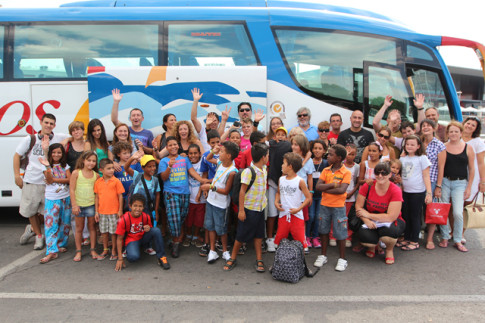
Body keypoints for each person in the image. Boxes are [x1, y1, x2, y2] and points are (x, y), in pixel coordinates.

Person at [15, 113, 68, 250]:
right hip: (32, 179)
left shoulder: (57, 137)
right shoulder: (30, 139)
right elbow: (17, 156)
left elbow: (74, 136)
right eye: (46, 122)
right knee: (31, 210)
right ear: (41, 122)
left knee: (47, 211)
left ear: (54, 125)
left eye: (51, 123)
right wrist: (17, 176)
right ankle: (39, 235)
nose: (48, 125)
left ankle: (32, 228)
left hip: (49, 182)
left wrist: (65, 142)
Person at [159, 136, 209, 258]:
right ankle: (176, 243)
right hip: (171, 193)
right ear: (166, 147)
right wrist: (169, 166)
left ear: (178, 146)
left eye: (175, 144)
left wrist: (204, 181)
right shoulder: (164, 161)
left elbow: (193, 173)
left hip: (185, 193)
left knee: (181, 217)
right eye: (170, 145)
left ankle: (174, 239)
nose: (173, 147)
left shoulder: (184, 159)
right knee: (174, 218)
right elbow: (164, 178)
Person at [223, 143, 269, 272]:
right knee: (241, 236)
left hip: (260, 209)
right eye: (267, 156)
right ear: (263, 157)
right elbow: (242, 191)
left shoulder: (264, 170)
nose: (268, 158)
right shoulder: (249, 171)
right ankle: (232, 258)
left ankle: (259, 258)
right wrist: (241, 210)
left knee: (259, 235)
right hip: (249, 210)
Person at [435, 121, 475, 252]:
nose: (453, 134)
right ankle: (445, 237)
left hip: (460, 183)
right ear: (447, 133)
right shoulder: (443, 147)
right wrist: (439, 186)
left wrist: (469, 187)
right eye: (451, 131)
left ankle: (458, 239)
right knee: (444, 210)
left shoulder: (468, 148)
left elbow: (471, 169)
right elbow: (440, 168)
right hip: (445, 181)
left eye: (456, 131)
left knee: (458, 212)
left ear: (461, 133)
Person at [355, 162, 404, 265]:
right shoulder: (367, 186)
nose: (380, 176)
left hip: (390, 221)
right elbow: (358, 207)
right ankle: (373, 246)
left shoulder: (395, 190)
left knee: (389, 234)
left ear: (390, 174)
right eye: (377, 173)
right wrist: (366, 220)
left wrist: (368, 215)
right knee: (366, 238)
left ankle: (389, 250)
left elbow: (391, 216)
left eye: (384, 173)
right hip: (371, 220)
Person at [200, 141, 239, 263]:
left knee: (221, 228)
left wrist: (210, 187)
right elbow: (208, 158)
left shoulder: (232, 171)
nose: (219, 153)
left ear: (229, 155)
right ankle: (212, 251)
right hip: (211, 201)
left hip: (221, 204)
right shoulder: (220, 163)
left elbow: (226, 191)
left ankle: (225, 251)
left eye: (222, 152)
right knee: (210, 226)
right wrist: (213, 151)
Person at [314, 144, 351, 272]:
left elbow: (342, 190)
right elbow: (318, 187)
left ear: (339, 158)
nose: (328, 156)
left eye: (330, 154)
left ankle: (342, 259)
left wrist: (327, 188)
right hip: (325, 205)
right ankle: (323, 255)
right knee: (323, 230)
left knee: (340, 232)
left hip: (338, 207)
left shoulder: (346, 172)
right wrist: (333, 184)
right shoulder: (326, 170)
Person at [114, 194, 170, 271]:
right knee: (133, 258)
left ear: (143, 207)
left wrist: (148, 228)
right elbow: (119, 239)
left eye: (140, 206)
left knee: (156, 230)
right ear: (130, 206)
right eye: (135, 206)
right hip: (132, 240)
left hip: (143, 238)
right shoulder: (124, 219)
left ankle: (162, 257)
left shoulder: (146, 216)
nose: (137, 209)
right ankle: (129, 249)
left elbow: (150, 229)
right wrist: (120, 259)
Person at [38, 143, 71, 264]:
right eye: (54, 152)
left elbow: (70, 179)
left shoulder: (65, 165)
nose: (56, 155)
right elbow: (49, 179)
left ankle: (61, 244)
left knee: (65, 223)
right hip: (52, 198)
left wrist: (55, 179)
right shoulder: (45, 166)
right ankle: (51, 250)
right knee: (51, 224)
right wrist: (47, 167)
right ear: (50, 153)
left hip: (65, 197)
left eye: (59, 152)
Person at [398, 135, 432, 251]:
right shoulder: (402, 158)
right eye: (407, 144)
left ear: (418, 146)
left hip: (417, 192)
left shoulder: (422, 158)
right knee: (406, 215)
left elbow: (426, 175)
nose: (409, 146)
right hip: (405, 192)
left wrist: (429, 193)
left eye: (412, 144)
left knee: (415, 216)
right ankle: (407, 237)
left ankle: (414, 240)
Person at [274, 152, 312, 250]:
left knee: (300, 243)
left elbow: (308, 197)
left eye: (283, 163)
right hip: (283, 215)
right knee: (280, 241)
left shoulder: (300, 181)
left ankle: (301, 264)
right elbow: (278, 192)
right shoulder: (281, 179)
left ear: (290, 166)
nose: (281, 165)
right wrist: (276, 202)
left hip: (297, 216)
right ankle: (279, 263)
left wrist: (298, 209)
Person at [69, 151, 100, 261]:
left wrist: (97, 210)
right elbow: (72, 189)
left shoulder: (96, 175)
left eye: (94, 161)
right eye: (89, 160)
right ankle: (78, 251)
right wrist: (74, 205)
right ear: (83, 160)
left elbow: (97, 194)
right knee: (79, 228)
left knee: (92, 228)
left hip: (91, 205)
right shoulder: (76, 173)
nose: (91, 163)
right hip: (79, 205)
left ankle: (92, 249)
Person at [420, 119, 445, 250]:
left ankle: (429, 238)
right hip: (418, 181)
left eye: (428, 126)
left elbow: (441, 167)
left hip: (433, 181)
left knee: (432, 211)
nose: (426, 128)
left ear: (434, 128)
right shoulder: (419, 142)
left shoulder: (439, 145)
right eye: (423, 126)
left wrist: (439, 186)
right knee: (419, 210)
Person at [266, 126, 292, 252]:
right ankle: (270, 238)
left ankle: (279, 237)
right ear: (274, 136)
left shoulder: (288, 147)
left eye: (283, 134)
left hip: (285, 185)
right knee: (272, 213)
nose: (280, 137)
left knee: (283, 213)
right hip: (272, 184)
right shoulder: (270, 145)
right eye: (278, 134)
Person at [94, 158, 124, 261]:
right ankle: (105, 249)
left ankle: (114, 250)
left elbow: (120, 196)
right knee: (104, 232)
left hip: (114, 211)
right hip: (102, 212)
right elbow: (97, 197)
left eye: (112, 168)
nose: (111, 170)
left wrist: (120, 210)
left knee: (113, 233)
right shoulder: (98, 182)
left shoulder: (116, 181)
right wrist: (96, 211)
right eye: (108, 168)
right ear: (101, 170)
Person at [184, 144, 206, 248]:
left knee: (199, 219)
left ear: (199, 153)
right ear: (188, 155)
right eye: (191, 153)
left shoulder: (203, 163)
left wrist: (199, 194)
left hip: (200, 199)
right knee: (189, 219)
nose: (193, 155)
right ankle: (188, 236)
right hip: (189, 197)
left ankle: (196, 236)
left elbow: (204, 179)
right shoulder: (186, 163)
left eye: (195, 153)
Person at [307, 140, 328, 249]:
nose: (317, 150)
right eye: (315, 148)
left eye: (320, 148)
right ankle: (307, 236)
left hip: (321, 195)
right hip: (310, 194)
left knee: (318, 217)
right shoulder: (309, 161)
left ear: (324, 150)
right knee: (310, 216)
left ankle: (315, 237)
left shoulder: (326, 163)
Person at [112, 141, 143, 210]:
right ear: (118, 154)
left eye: (129, 153)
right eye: (124, 153)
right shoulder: (115, 167)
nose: (127, 155)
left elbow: (142, 177)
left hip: (134, 195)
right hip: (120, 196)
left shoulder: (135, 164)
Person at [462, 117, 485, 208]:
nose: (469, 126)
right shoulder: (455, 138)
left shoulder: (478, 142)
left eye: (473, 125)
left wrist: (483, 182)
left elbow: (481, 163)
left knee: (468, 203)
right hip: (456, 176)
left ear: (476, 129)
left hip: (473, 176)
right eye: (468, 123)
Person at [342, 143, 360, 248]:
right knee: (338, 216)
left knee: (347, 217)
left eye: (353, 154)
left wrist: (351, 193)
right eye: (348, 154)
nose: (350, 156)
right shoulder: (340, 165)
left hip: (350, 196)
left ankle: (348, 237)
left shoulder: (356, 167)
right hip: (340, 196)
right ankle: (335, 235)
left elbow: (357, 182)